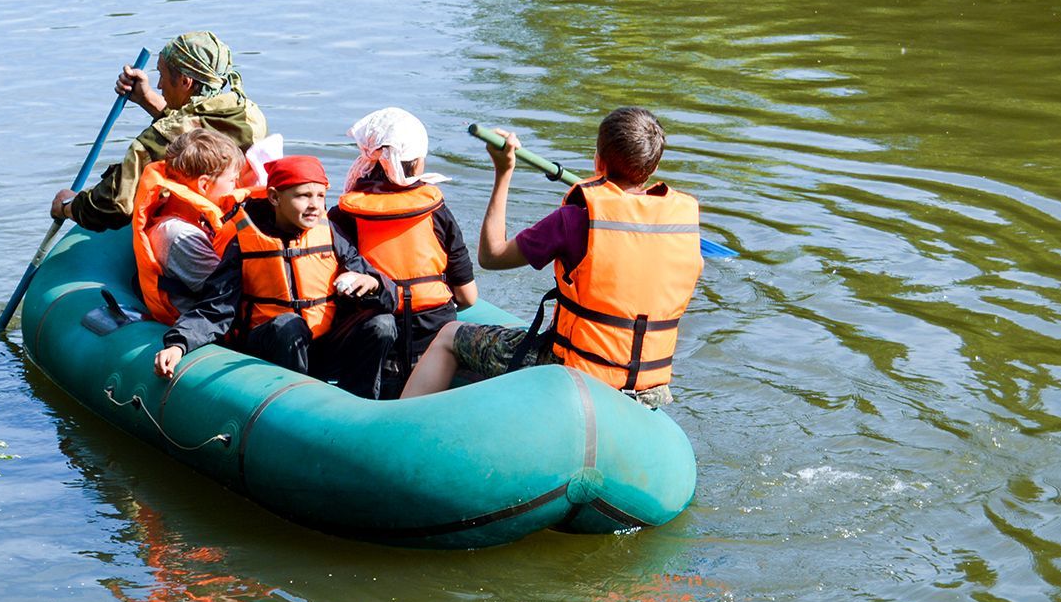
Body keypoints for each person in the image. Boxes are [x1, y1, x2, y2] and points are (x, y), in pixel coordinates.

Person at [401, 107, 703, 408]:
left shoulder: (575, 219)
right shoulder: (681, 226)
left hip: (577, 374)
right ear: (653, 167)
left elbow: (492, 255)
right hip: (650, 387)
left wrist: (503, 172)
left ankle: (397, 421)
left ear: (598, 160)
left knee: (450, 336)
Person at [153, 155, 399, 400]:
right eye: (303, 196)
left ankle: (361, 404)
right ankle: (296, 403)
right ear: (274, 197)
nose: (315, 205)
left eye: (320, 196)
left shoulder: (331, 233)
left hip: (322, 347)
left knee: (382, 323)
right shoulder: (244, 242)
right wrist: (178, 344)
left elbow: (388, 296)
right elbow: (216, 308)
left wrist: (374, 284)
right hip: (272, 346)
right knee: (289, 326)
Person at [50, 31, 267, 231]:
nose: (160, 85)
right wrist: (147, 99)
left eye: (162, 75)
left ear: (185, 81)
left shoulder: (160, 139)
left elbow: (116, 205)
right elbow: (198, 125)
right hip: (238, 225)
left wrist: (69, 205)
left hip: (193, 232)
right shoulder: (249, 115)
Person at [328, 108, 477, 396]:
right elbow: (467, 297)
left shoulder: (343, 216)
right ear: (418, 162)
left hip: (378, 354)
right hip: (434, 354)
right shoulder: (437, 212)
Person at [131, 129, 245, 325]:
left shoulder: (187, 216)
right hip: (207, 326)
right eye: (232, 180)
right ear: (204, 185)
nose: (237, 187)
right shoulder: (180, 236)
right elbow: (230, 292)